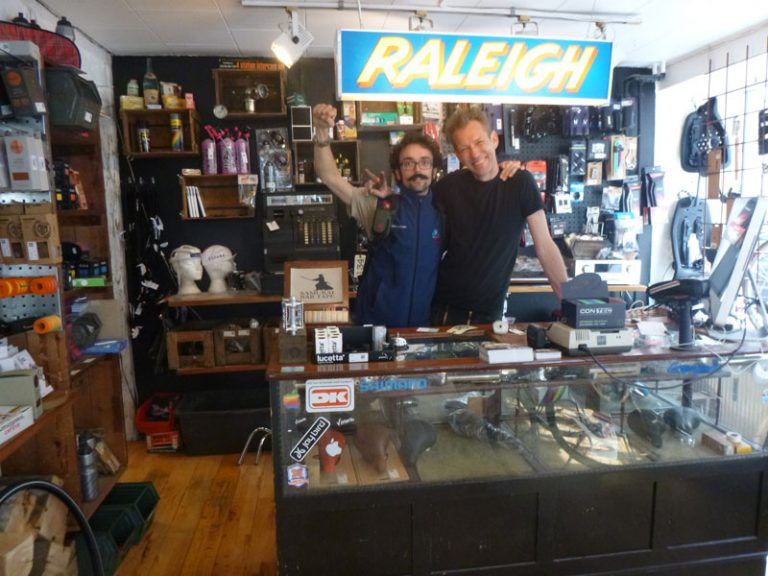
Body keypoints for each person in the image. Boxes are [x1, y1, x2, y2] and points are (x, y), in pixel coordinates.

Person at [431, 107, 568, 325]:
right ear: (457, 154)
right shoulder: (447, 187)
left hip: (489, 314)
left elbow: (545, 246)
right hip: (443, 309)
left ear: (494, 140)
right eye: (464, 148)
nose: (474, 153)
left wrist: (569, 304)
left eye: (479, 142)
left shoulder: (520, 183)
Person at [312, 103, 443, 327]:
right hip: (377, 328)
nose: (418, 170)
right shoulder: (380, 205)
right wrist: (321, 132)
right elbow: (329, 176)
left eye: (425, 162)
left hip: (422, 329)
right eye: (408, 163)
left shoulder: (443, 210)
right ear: (397, 172)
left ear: (434, 169)